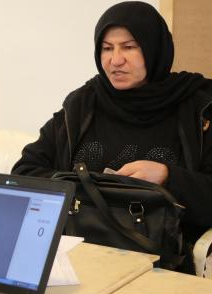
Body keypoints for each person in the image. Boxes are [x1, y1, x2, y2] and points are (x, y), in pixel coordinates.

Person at [12, 1, 212, 273]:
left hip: (162, 265)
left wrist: (168, 176)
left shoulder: (197, 108)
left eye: (129, 47)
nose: (115, 60)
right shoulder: (83, 104)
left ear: (154, 49)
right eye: (107, 48)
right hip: (78, 261)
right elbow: (24, 174)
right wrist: (88, 184)